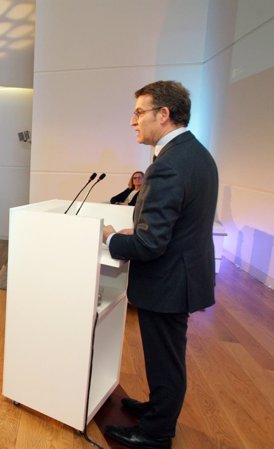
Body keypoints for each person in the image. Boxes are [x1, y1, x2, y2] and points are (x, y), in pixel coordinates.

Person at [102, 80, 219, 449]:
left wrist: (110, 238)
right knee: (164, 357)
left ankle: (156, 433)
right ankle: (157, 409)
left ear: (163, 115)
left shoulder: (168, 165)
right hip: (181, 275)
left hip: (169, 282)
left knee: (165, 360)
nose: (132, 121)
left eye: (139, 112)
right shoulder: (194, 153)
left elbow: (151, 243)